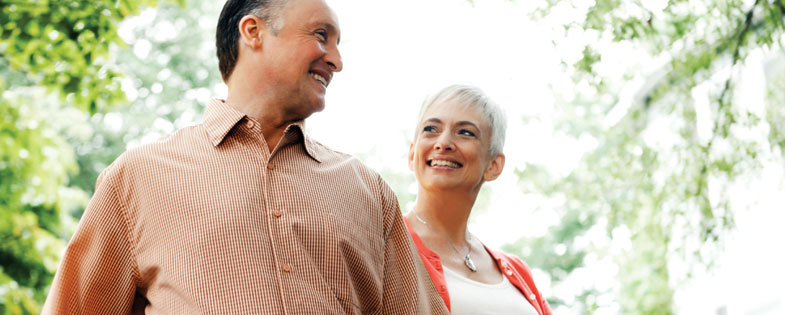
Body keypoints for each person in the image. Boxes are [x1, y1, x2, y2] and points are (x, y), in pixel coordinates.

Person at [43, 0, 448, 313]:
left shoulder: (369, 191)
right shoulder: (136, 178)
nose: (337, 61)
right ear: (253, 31)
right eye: (321, 35)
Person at [403, 85, 552, 314]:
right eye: (431, 129)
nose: (443, 143)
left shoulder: (517, 271)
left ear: (493, 165)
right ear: (413, 154)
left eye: (465, 132)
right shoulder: (387, 246)